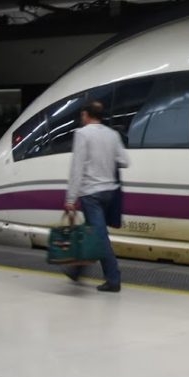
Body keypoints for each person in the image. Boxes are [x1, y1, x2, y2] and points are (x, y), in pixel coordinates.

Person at [63, 101, 129, 292]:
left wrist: (70, 199)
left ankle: (113, 279)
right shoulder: (113, 134)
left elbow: (77, 167)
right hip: (110, 193)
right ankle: (76, 269)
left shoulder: (82, 134)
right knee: (91, 231)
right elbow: (124, 161)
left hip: (91, 194)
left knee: (99, 236)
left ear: (85, 115)